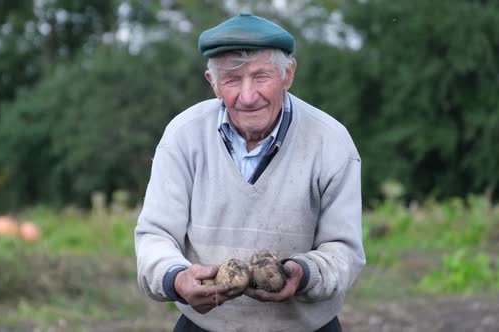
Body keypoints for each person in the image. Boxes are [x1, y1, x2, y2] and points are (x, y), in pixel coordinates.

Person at [135, 13, 365, 332]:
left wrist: (302, 273)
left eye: (261, 77)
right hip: (205, 327)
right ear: (212, 84)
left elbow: (345, 251)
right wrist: (176, 278)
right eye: (232, 80)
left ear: (288, 75)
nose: (247, 96)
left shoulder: (331, 142)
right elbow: (155, 236)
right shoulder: (183, 137)